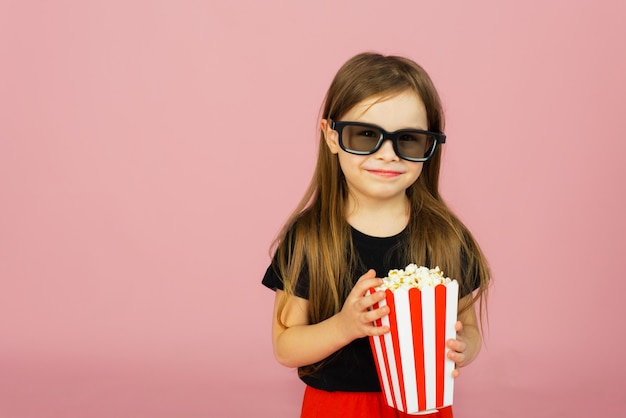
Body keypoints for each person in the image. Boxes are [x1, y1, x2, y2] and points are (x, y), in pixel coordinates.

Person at [261, 52, 490, 418]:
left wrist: (464, 345)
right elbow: (286, 346)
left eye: (409, 139)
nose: (388, 154)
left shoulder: (446, 236)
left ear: (429, 147)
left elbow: (469, 325)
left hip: (425, 406)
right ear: (332, 137)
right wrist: (345, 326)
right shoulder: (310, 239)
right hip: (338, 407)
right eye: (366, 135)